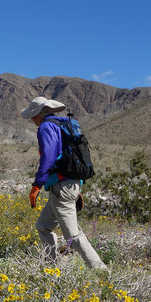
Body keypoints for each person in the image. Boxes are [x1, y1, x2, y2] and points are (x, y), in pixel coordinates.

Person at [20, 96, 106, 268]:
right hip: (67, 185)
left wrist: (37, 184)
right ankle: (50, 269)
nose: (32, 120)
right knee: (43, 226)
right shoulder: (63, 125)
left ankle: (101, 271)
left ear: (38, 114)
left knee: (73, 236)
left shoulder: (46, 127)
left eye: (32, 116)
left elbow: (49, 157)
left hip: (62, 187)